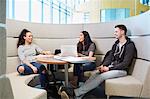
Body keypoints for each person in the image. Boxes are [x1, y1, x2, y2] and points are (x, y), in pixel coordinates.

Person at [59, 24, 137, 99]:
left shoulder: (130, 45)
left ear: (122, 32)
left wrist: (109, 69)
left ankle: (75, 93)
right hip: (112, 67)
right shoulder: (116, 44)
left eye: (116, 31)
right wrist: (103, 65)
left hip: (121, 70)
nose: (114, 33)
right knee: (94, 74)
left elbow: (125, 64)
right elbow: (109, 57)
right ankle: (78, 96)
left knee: (101, 76)